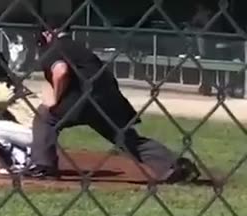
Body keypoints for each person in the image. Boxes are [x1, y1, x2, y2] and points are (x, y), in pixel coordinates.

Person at [26, 25, 199, 183]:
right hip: (108, 99)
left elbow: (61, 72)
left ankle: (43, 166)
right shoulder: (77, 47)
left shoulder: (53, 48)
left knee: (45, 117)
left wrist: (56, 100)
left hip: (83, 100)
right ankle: (173, 166)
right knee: (125, 137)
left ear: (48, 34)